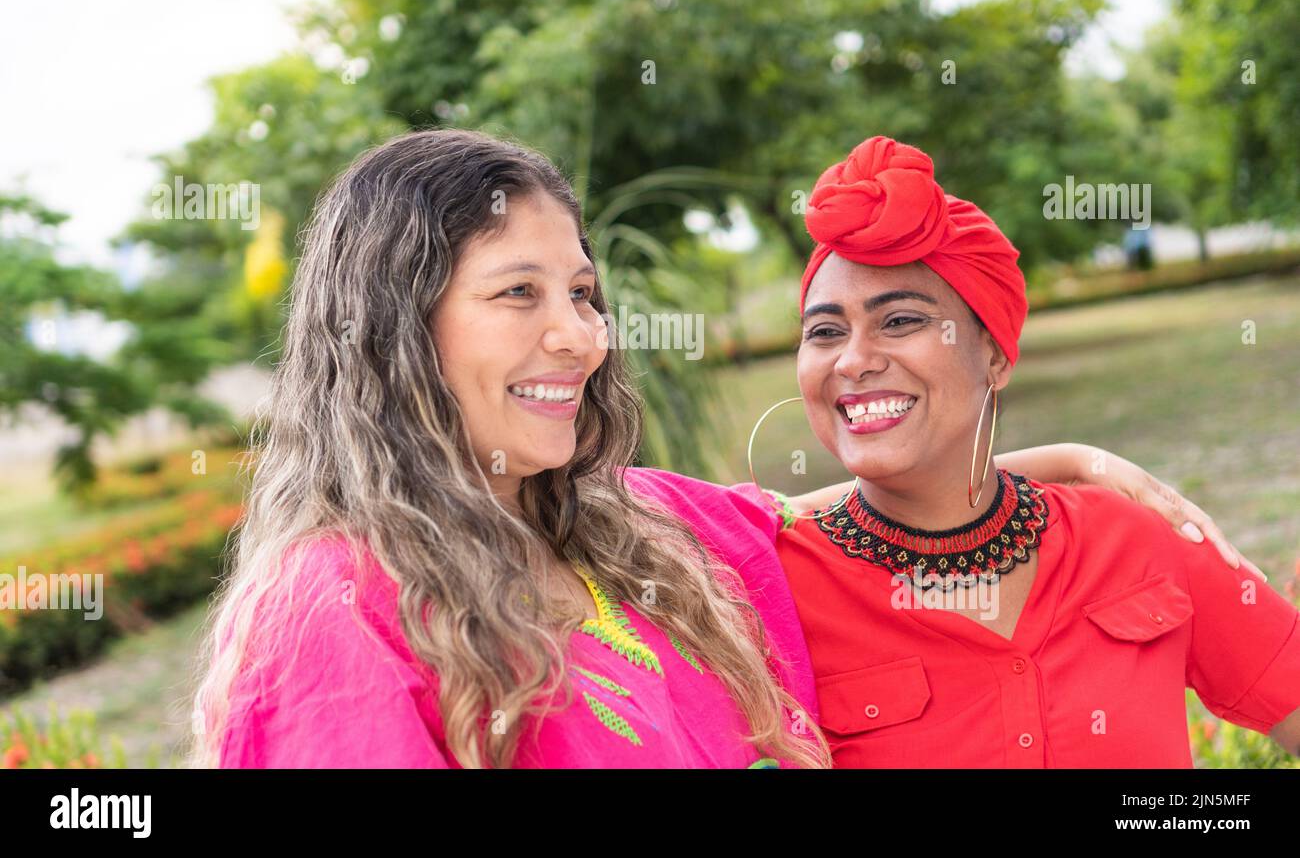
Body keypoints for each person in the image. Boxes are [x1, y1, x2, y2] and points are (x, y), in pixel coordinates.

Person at [191, 128, 1238, 768]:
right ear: (392, 326)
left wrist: (1065, 462)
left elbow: (828, 508)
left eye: (584, 293)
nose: (580, 334)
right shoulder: (339, 610)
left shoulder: (628, 525)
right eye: (518, 293)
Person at [770, 135, 1300, 767]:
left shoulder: (1138, 536)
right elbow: (644, 525)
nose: (855, 360)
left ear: (992, 353)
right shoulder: (766, 584)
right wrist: (1074, 456)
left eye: (902, 320)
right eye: (825, 332)